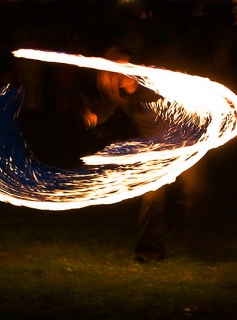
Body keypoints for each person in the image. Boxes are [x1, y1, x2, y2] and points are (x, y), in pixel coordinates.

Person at [84, 46, 171, 262]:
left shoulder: (152, 83)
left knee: (195, 193)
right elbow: (103, 112)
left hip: (180, 142)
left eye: (126, 65)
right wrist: (92, 119)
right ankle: (149, 252)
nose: (124, 73)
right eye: (118, 70)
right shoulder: (120, 97)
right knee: (152, 199)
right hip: (156, 152)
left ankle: (197, 236)